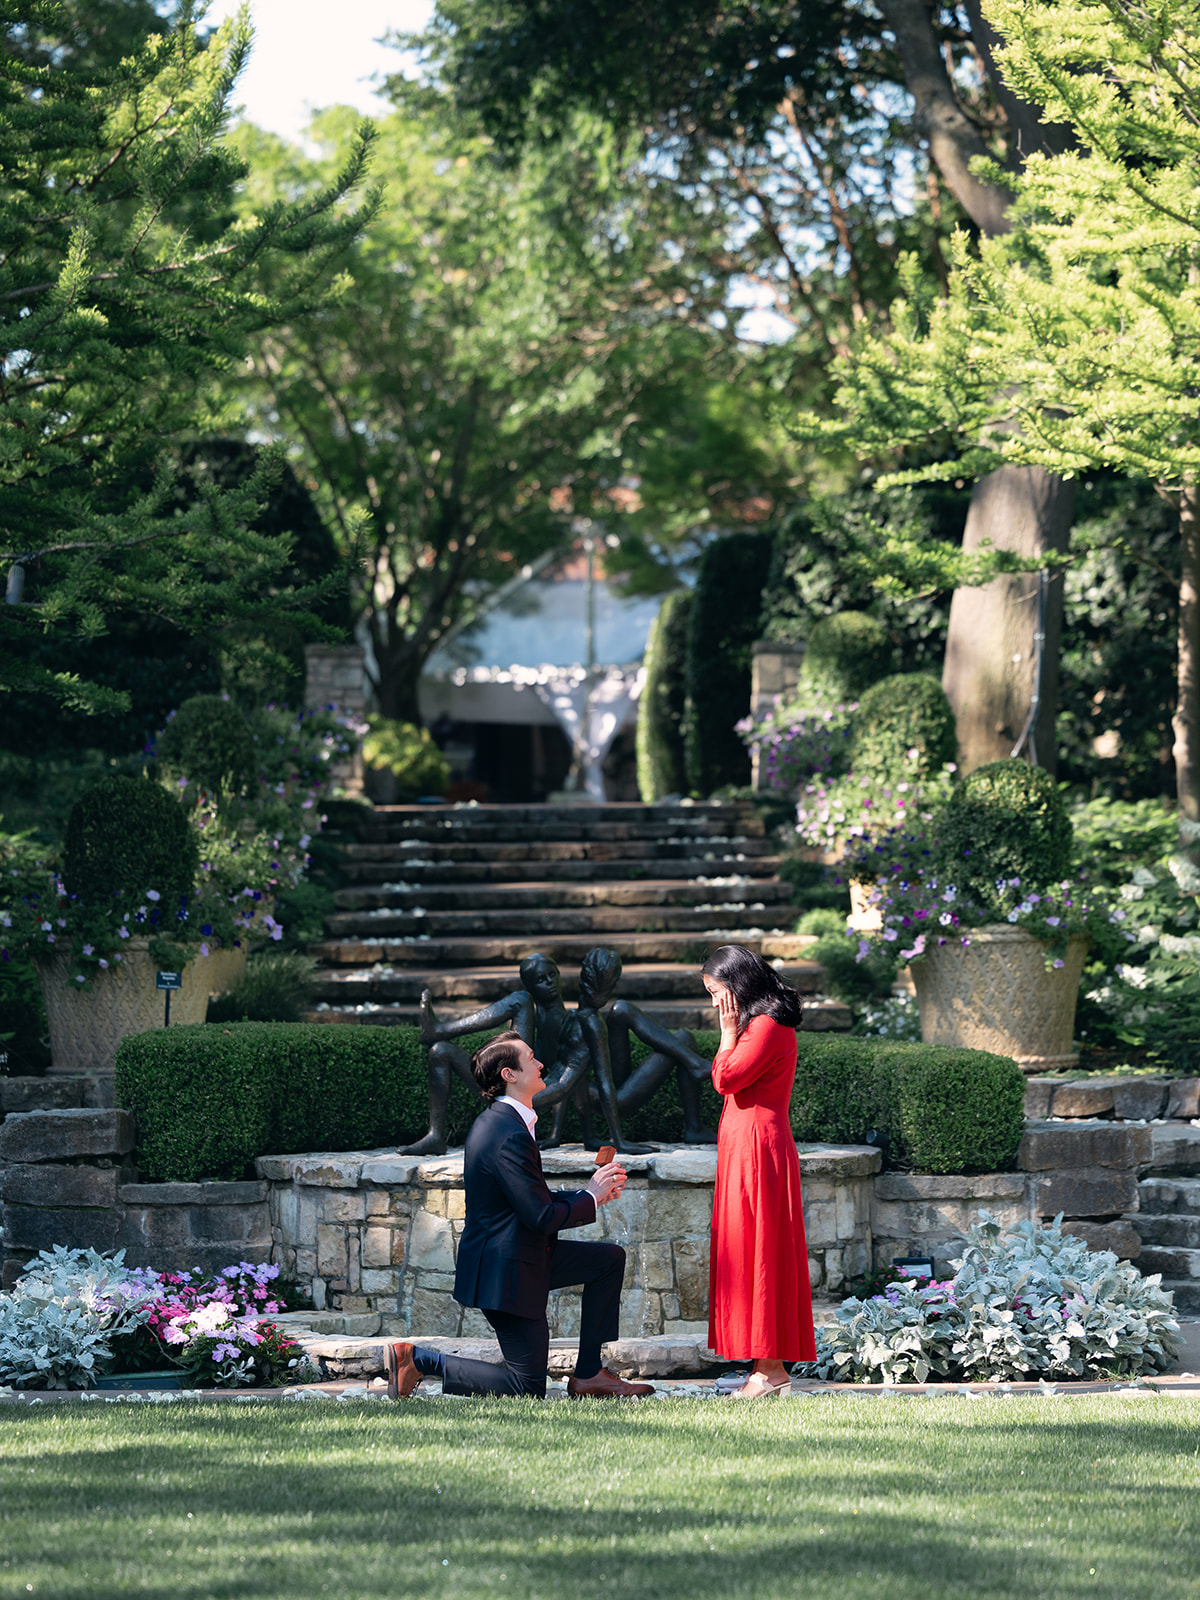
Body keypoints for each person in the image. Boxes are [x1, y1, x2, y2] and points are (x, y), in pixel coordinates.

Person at [385, 1030, 655, 1400]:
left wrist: (591, 1195)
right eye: (531, 1058)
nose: (541, 1063)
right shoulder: (506, 1133)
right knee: (526, 1387)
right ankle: (417, 1360)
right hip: (506, 1271)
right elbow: (539, 1216)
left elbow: (528, 1200)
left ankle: (590, 1374)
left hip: (522, 1255)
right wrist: (590, 1197)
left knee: (607, 1260)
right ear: (509, 1075)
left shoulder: (506, 1123)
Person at [701, 944, 816, 1399]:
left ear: (737, 986)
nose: (715, 1004)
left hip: (758, 1150)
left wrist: (726, 1032)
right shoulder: (758, 1025)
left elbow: (724, 1078)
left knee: (760, 1249)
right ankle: (762, 1366)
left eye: (716, 992)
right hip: (745, 1148)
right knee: (745, 1249)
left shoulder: (766, 1026)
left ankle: (769, 1371)